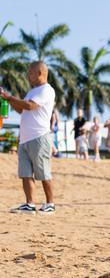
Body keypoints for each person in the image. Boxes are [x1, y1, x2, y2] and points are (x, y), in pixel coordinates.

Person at [2, 61, 57, 215]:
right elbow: (21, 110)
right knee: (25, 174)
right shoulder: (32, 91)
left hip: (39, 137)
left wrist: (11, 97)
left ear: (40, 73)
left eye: (30, 73)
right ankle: (30, 204)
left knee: (43, 173)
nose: (28, 76)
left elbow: (30, 106)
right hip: (25, 139)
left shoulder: (47, 90)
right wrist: (8, 100)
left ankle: (50, 204)